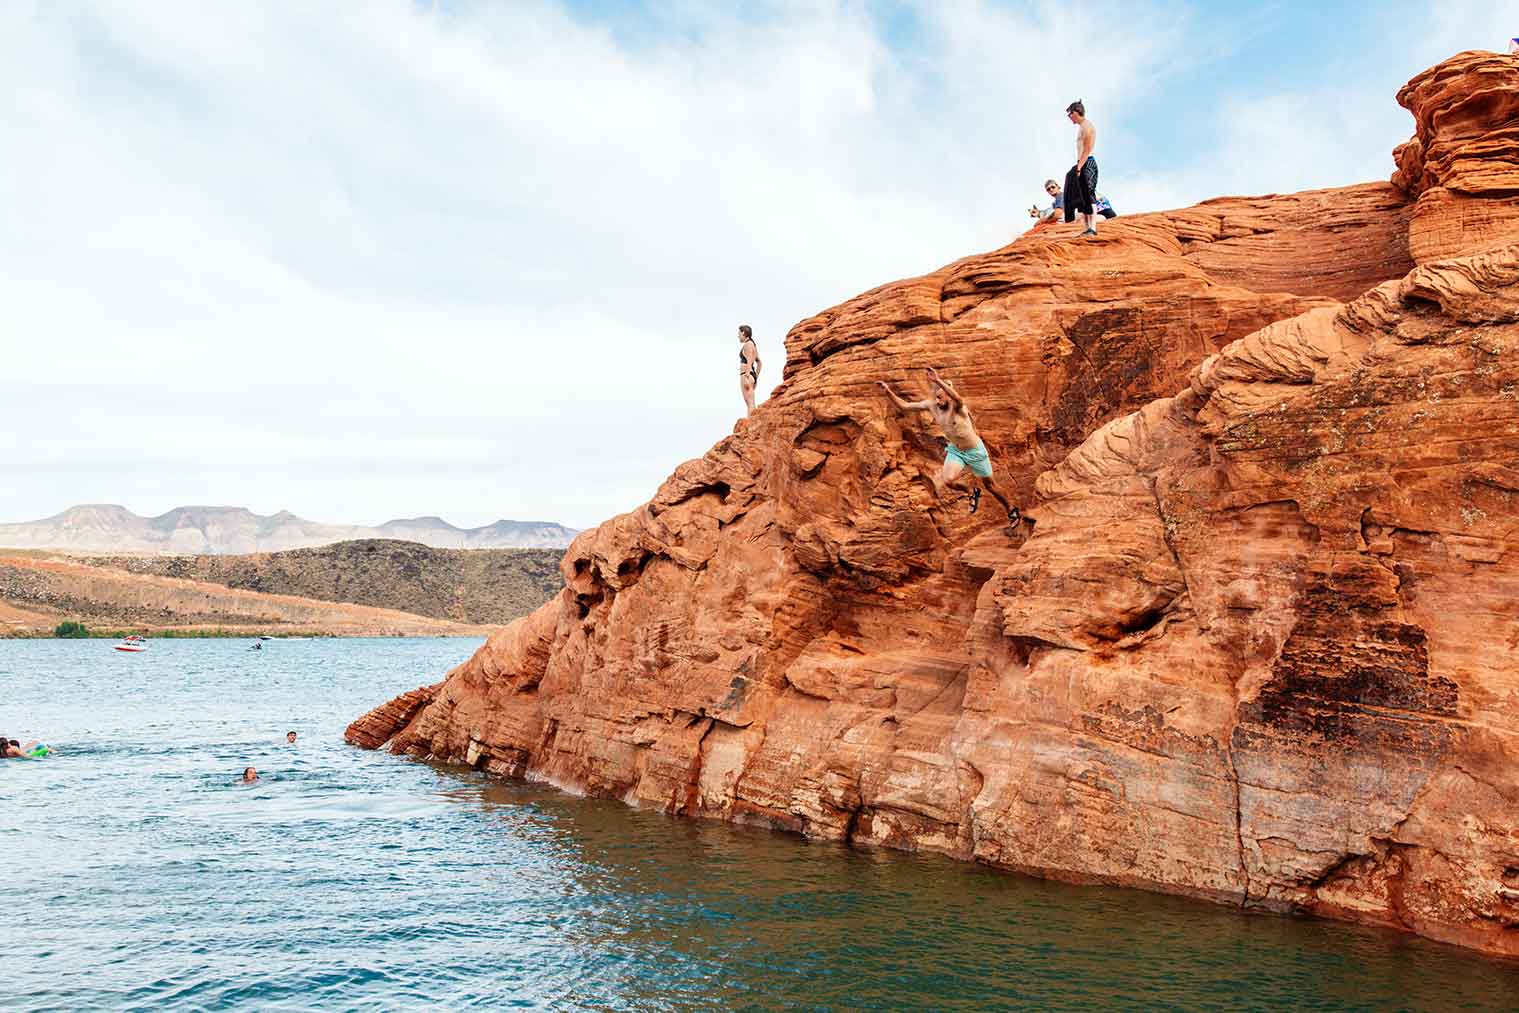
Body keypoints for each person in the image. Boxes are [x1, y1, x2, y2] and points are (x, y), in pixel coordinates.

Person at [878, 368, 1020, 524]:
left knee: (991, 485)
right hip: (956, 451)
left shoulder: (957, 407)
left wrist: (937, 380)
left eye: (940, 397)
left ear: (948, 395)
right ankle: (971, 491)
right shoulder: (932, 405)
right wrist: (888, 392)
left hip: (975, 451)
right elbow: (905, 406)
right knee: (948, 480)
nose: (938, 401)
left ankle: (1011, 510)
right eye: (936, 397)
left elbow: (958, 398)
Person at [1064, 100, 1100, 237]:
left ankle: (1093, 228)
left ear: (1075, 112)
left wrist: (1079, 167)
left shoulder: (1087, 126)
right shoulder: (1081, 127)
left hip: (1087, 162)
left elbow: (1087, 149)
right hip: (1082, 163)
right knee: (1081, 197)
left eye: (1069, 115)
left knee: (1089, 196)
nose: (1069, 118)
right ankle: (1087, 229)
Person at [738, 324, 761, 417]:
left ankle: (750, 424)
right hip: (752, 375)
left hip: (746, 375)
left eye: (739, 333)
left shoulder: (748, 345)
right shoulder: (753, 345)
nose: (738, 336)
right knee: (751, 402)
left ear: (743, 332)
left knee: (749, 403)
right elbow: (759, 363)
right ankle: (752, 423)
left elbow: (750, 359)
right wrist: (755, 378)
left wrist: (747, 375)